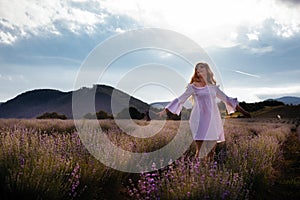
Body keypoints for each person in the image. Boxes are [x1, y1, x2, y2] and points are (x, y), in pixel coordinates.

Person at [158, 62, 251, 160]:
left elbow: (227, 99)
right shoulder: (193, 86)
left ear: (207, 70)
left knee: (212, 151)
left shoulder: (213, 88)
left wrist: (243, 111)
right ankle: (196, 172)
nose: (199, 69)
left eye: (201, 67)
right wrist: (165, 110)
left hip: (213, 120)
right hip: (199, 120)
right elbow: (180, 99)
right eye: (197, 69)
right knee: (200, 151)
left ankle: (208, 172)